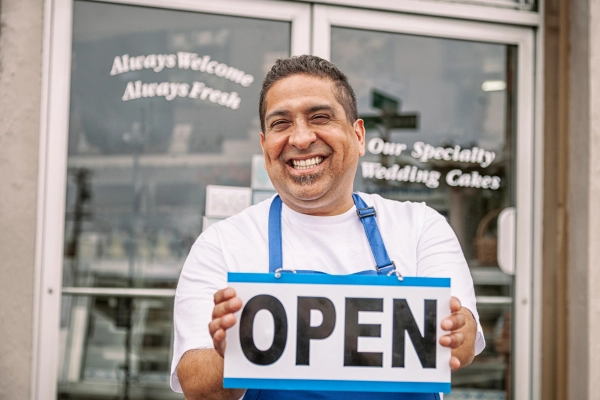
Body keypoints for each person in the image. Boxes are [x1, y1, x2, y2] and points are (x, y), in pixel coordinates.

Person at [170, 55, 485, 400]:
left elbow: (462, 345)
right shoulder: (222, 244)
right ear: (265, 147)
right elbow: (197, 387)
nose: (301, 138)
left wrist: (455, 332)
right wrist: (232, 352)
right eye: (281, 123)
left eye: (320, 117)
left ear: (358, 135)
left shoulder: (420, 227)